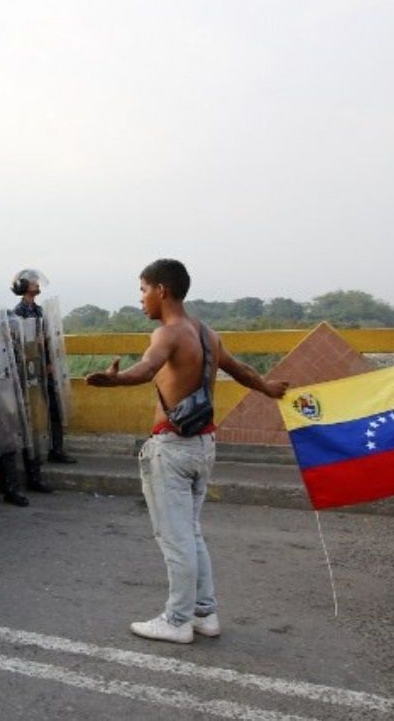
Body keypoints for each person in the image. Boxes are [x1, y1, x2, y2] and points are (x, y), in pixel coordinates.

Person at [86, 259, 287, 644]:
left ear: (162, 290)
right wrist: (267, 388)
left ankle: (177, 620)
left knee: (175, 539)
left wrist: (115, 382)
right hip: (204, 445)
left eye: (143, 289)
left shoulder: (167, 334)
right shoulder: (207, 333)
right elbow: (239, 369)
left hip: (173, 448)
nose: (141, 298)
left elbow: (146, 370)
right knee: (191, 534)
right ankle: (204, 613)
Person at [11, 269, 75, 472]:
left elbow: (47, 340)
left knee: (55, 410)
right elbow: (18, 344)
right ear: (23, 286)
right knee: (32, 414)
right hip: (29, 372)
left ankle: (56, 450)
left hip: (45, 368)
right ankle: (32, 455)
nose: (37, 285)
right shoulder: (18, 312)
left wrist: (50, 360)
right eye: (33, 282)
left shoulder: (40, 311)